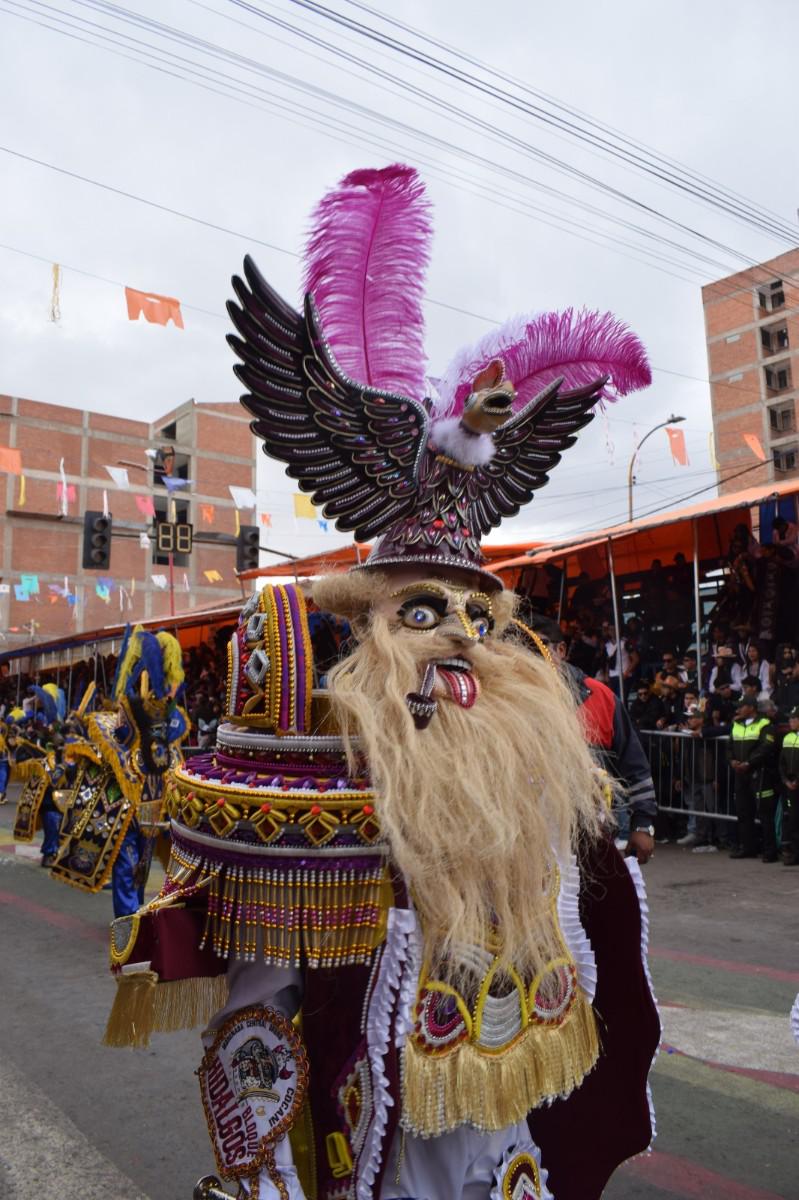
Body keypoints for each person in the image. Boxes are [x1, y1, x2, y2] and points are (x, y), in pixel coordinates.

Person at [101, 165, 658, 1200]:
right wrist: (263, 1174)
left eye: (479, 618)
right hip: (377, 1151)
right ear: (370, 630)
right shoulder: (327, 767)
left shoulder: (524, 772)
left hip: (503, 1139)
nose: (462, 640)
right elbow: (259, 1019)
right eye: (425, 613)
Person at [51, 627, 188, 915]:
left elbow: (159, 746)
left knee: (139, 865)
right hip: (130, 799)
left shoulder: (170, 715)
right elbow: (123, 738)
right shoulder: (143, 709)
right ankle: (128, 918)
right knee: (128, 863)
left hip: (153, 800)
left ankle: (133, 916)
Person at [512, 613, 656, 862]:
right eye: (520, 648)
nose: (529, 656)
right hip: (524, 843)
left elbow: (635, 766)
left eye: (538, 646)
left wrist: (643, 825)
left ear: (561, 650)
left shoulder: (600, 696)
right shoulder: (503, 700)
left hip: (593, 839)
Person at [727, 696, 779, 861]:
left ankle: (770, 851)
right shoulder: (736, 724)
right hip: (740, 774)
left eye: (742, 706)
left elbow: (766, 747)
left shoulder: (765, 724)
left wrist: (749, 763)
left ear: (751, 707)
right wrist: (732, 760)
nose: (738, 709)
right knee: (743, 811)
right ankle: (748, 848)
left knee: (765, 813)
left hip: (760, 773)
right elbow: (729, 746)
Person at [778, 706, 799, 866]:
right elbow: (782, 763)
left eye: (794, 719)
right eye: (790, 718)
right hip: (791, 785)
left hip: (796, 783)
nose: (791, 721)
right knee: (793, 819)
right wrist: (786, 780)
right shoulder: (787, 738)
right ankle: (795, 853)